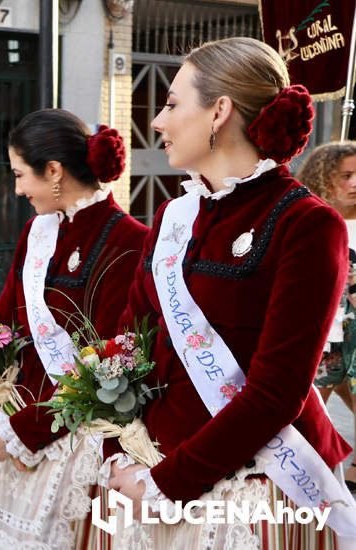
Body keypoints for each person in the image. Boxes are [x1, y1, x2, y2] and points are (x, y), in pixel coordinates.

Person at [108, 37, 356, 547]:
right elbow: (131, 343)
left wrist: (165, 484)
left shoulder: (307, 223)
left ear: (219, 111)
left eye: (173, 103)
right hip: (153, 468)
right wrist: (118, 444)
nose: (157, 121)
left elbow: (276, 392)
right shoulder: (174, 216)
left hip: (259, 488)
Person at [0, 109, 147, 549]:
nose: (17, 189)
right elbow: (6, 324)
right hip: (15, 428)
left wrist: (20, 431)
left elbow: (111, 364)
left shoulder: (130, 239)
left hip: (74, 439)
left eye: (19, 174)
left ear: (53, 171)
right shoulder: (37, 230)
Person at [298, 141, 356, 494]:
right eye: (345, 175)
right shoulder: (315, 220)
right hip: (329, 332)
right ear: (323, 178)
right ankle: (306, 470)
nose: (354, 183)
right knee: (311, 402)